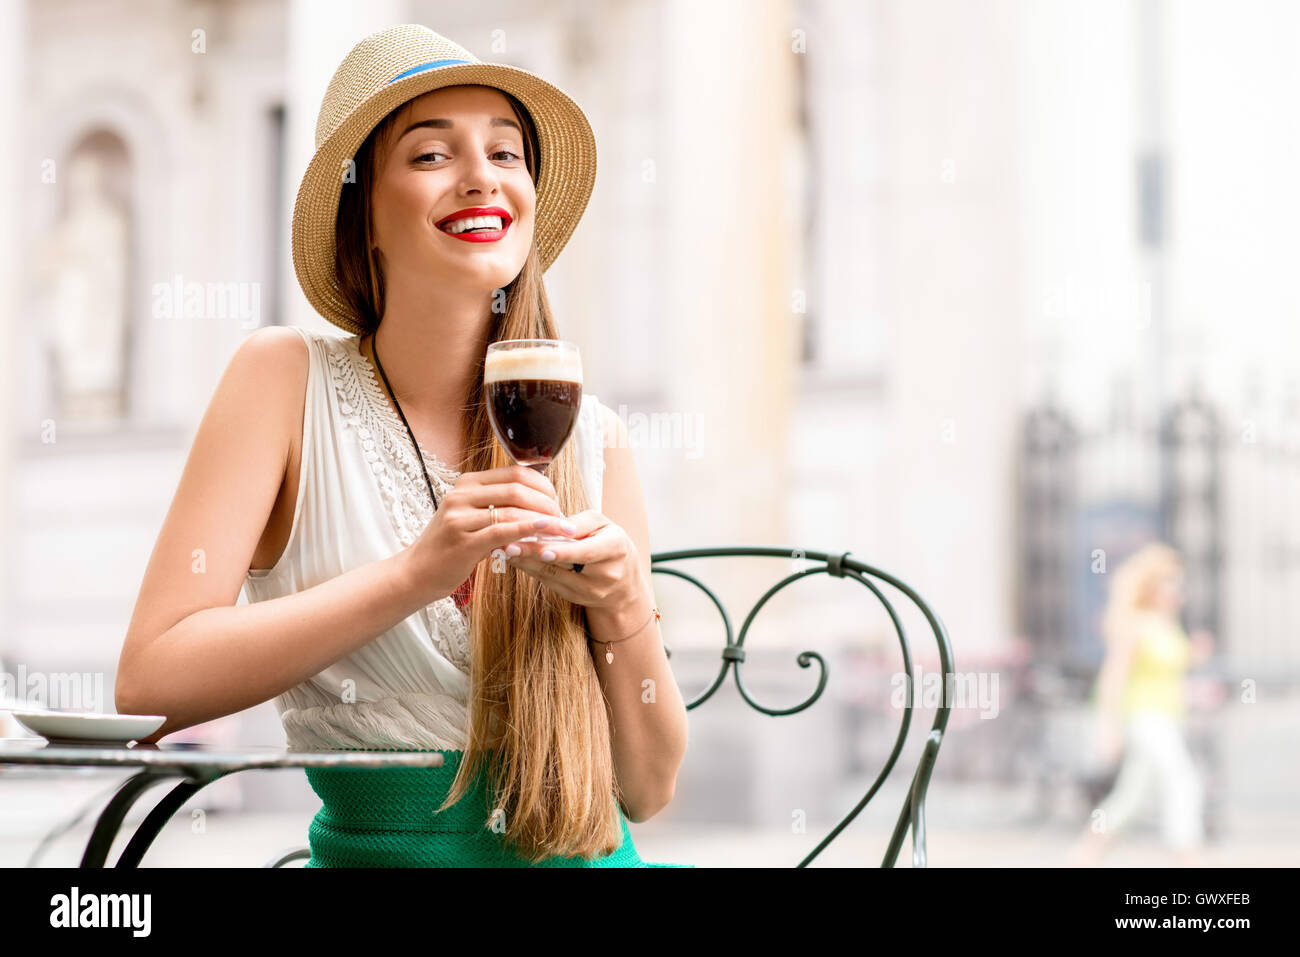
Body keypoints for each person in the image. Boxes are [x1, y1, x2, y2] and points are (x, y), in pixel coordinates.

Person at [115, 24, 690, 867]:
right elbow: (150, 683)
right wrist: (412, 577)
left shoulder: (593, 441)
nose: (482, 177)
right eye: (430, 155)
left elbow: (648, 789)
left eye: (507, 152)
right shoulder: (283, 381)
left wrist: (622, 607)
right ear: (364, 216)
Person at [1068, 542, 1214, 867]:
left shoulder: (1169, 625)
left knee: (1130, 798)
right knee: (1184, 782)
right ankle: (1189, 857)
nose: (1179, 589)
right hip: (1145, 718)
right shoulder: (1134, 624)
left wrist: (1195, 656)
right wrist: (1107, 728)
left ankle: (1083, 855)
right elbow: (1113, 677)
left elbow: (1168, 671)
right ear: (1151, 586)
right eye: (1171, 581)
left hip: (1169, 716)